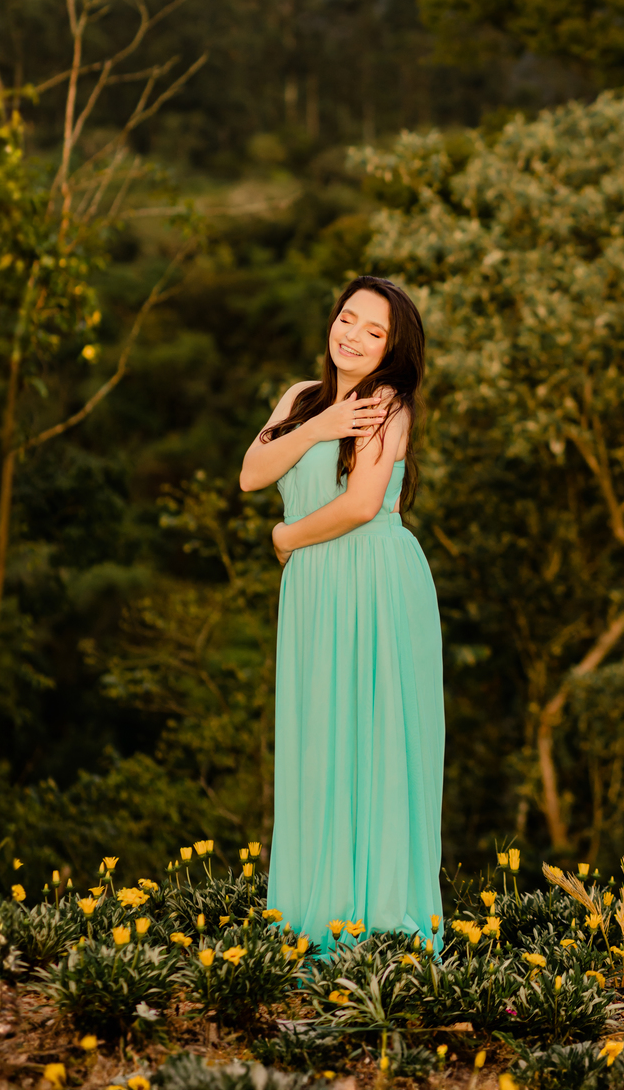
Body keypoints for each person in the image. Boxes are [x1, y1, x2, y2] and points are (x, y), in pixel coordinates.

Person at [240, 275, 444, 954]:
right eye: (347, 319)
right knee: (317, 740)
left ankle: (379, 922)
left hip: (372, 576)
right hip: (315, 588)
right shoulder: (301, 398)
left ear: (393, 349)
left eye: (373, 331)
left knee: (374, 737)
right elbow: (251, 473)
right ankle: (313, 919)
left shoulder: (389, 404)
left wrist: (284, 538)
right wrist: (321, 424)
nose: (352, 336)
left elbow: (361, 505)